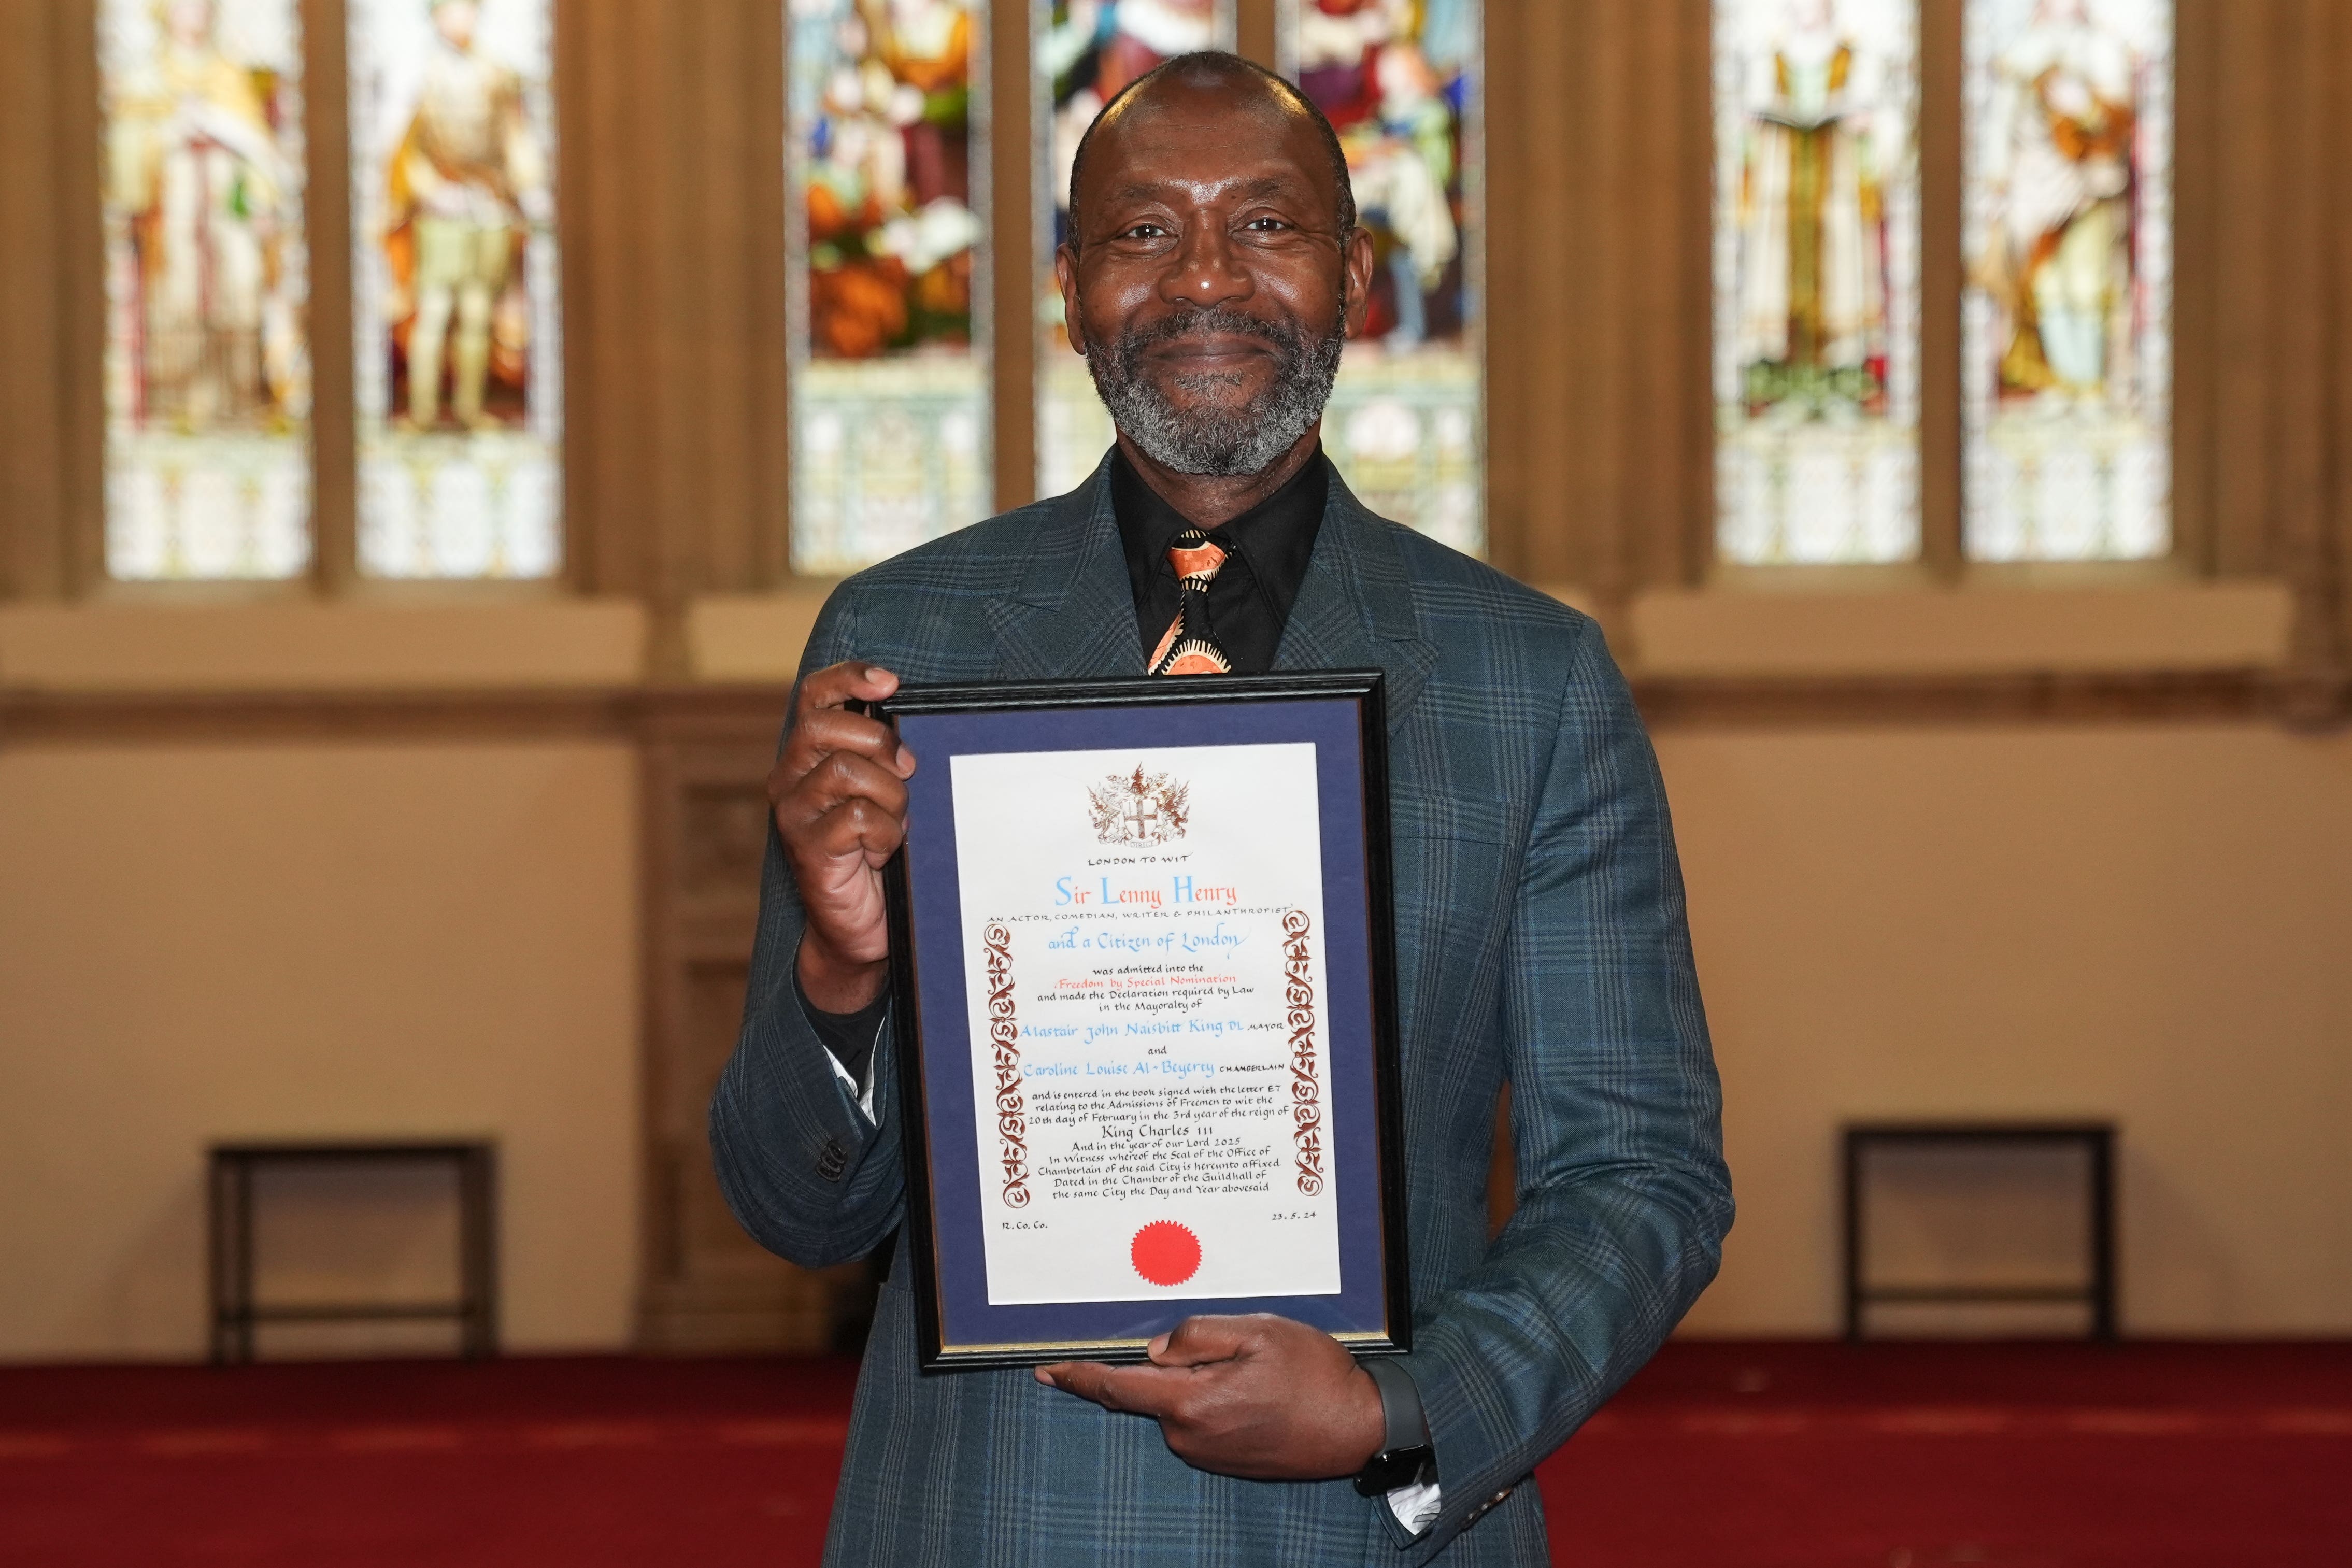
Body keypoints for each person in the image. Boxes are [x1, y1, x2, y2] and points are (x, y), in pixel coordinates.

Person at [711, 51, 1731, 1566]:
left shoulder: (1533, 682)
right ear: (1067, 287)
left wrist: (1401, 1405)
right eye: (1142, 233)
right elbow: (798, 1213)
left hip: (1362, 1530)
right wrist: (843, 976)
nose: (1206, 280)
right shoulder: (904, 643)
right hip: (992, 1517)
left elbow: (1642, 1173)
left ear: (1356, 273)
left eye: (1265, 226)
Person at [383, 0, 547, 431]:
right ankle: (421, 410)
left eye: (467, 9)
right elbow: (407, 148)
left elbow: (513, 139)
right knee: (434, 308)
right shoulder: (422, 75)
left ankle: (469, 408)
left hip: (488, 204)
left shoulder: (496, 75)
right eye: (450, 10)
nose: (459, 18)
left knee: (479, 312)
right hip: (441, 208)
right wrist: (431, 190)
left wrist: (529, 191)